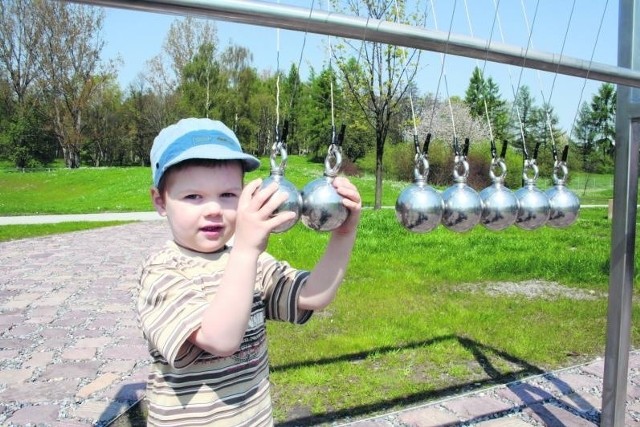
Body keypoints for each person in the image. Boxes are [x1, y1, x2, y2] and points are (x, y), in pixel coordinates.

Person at [137, 117, 361, 426]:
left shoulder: (250, 261)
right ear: (160, 201)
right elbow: (219, 338)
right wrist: (245, 250)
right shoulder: (161, 273)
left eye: (228, 195)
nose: (213, 209)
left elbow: (313, 295)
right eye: (194, 197)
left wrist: (344, 233)